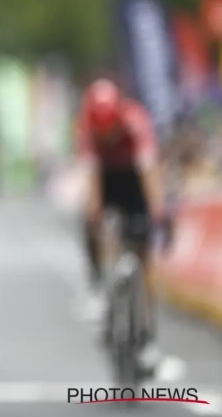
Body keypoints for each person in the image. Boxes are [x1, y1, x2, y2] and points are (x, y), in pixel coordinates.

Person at [76, 78, 167, 374]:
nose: (107, 136)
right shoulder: (87, 129)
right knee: (90, 223)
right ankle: (100, 282)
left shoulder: (136, 121)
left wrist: (157, 211)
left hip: (133, 180)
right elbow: (92, 181)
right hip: (107, 179)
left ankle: (146, 332)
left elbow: (150, 173)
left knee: (143, 255)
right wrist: (95, 215)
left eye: (110, 130)